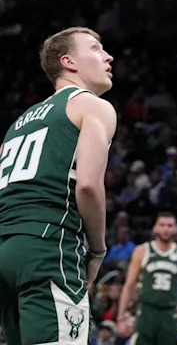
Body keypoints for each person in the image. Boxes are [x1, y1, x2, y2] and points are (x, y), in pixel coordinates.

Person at [0, 27, 118, 345]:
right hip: (47, 246)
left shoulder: (18, 124)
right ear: (69, 62)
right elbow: (89, 186)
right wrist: (97, 250)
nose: (108, 56)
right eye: (95, 48)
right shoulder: (92, 106)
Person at [118, 212, 177, 344]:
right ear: (155, 228)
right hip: (147, 311)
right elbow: (129, 285)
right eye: (162, 225)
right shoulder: (142, 251)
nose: (166, 229)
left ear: (175, 229)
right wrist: (120, 317)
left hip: (169, 313)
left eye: (170, 225)